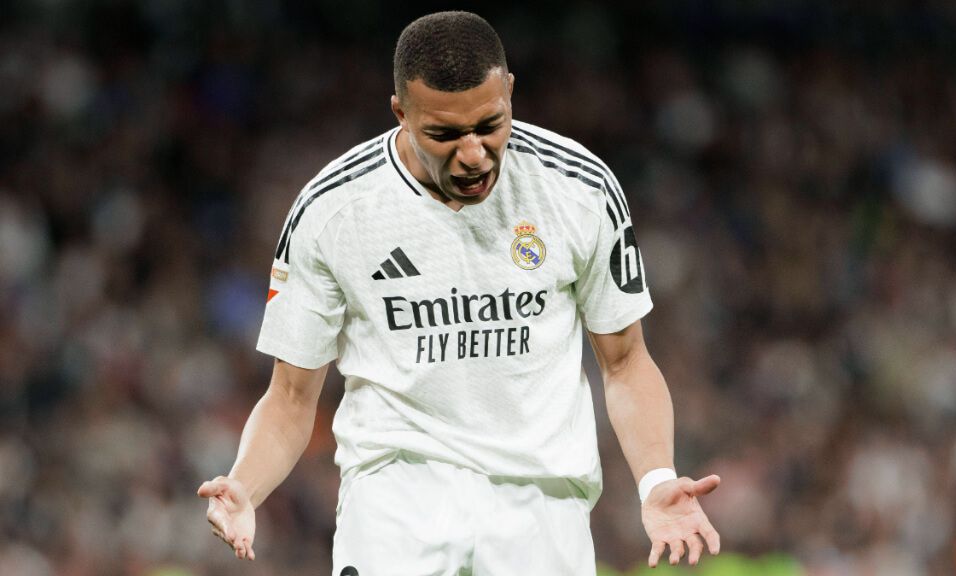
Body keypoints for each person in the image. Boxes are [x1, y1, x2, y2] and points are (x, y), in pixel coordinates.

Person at [198, 10, 720, 575]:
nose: (473, 153)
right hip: (396, 505)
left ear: (510, 93)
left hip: (542, 509)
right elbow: (291, 398)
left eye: (490, 125)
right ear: (401, 112)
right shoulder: (333, 211)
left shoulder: (579, 189)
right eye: (443, 135)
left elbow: (625, 364)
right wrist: (245, 484)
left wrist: (657, 480)